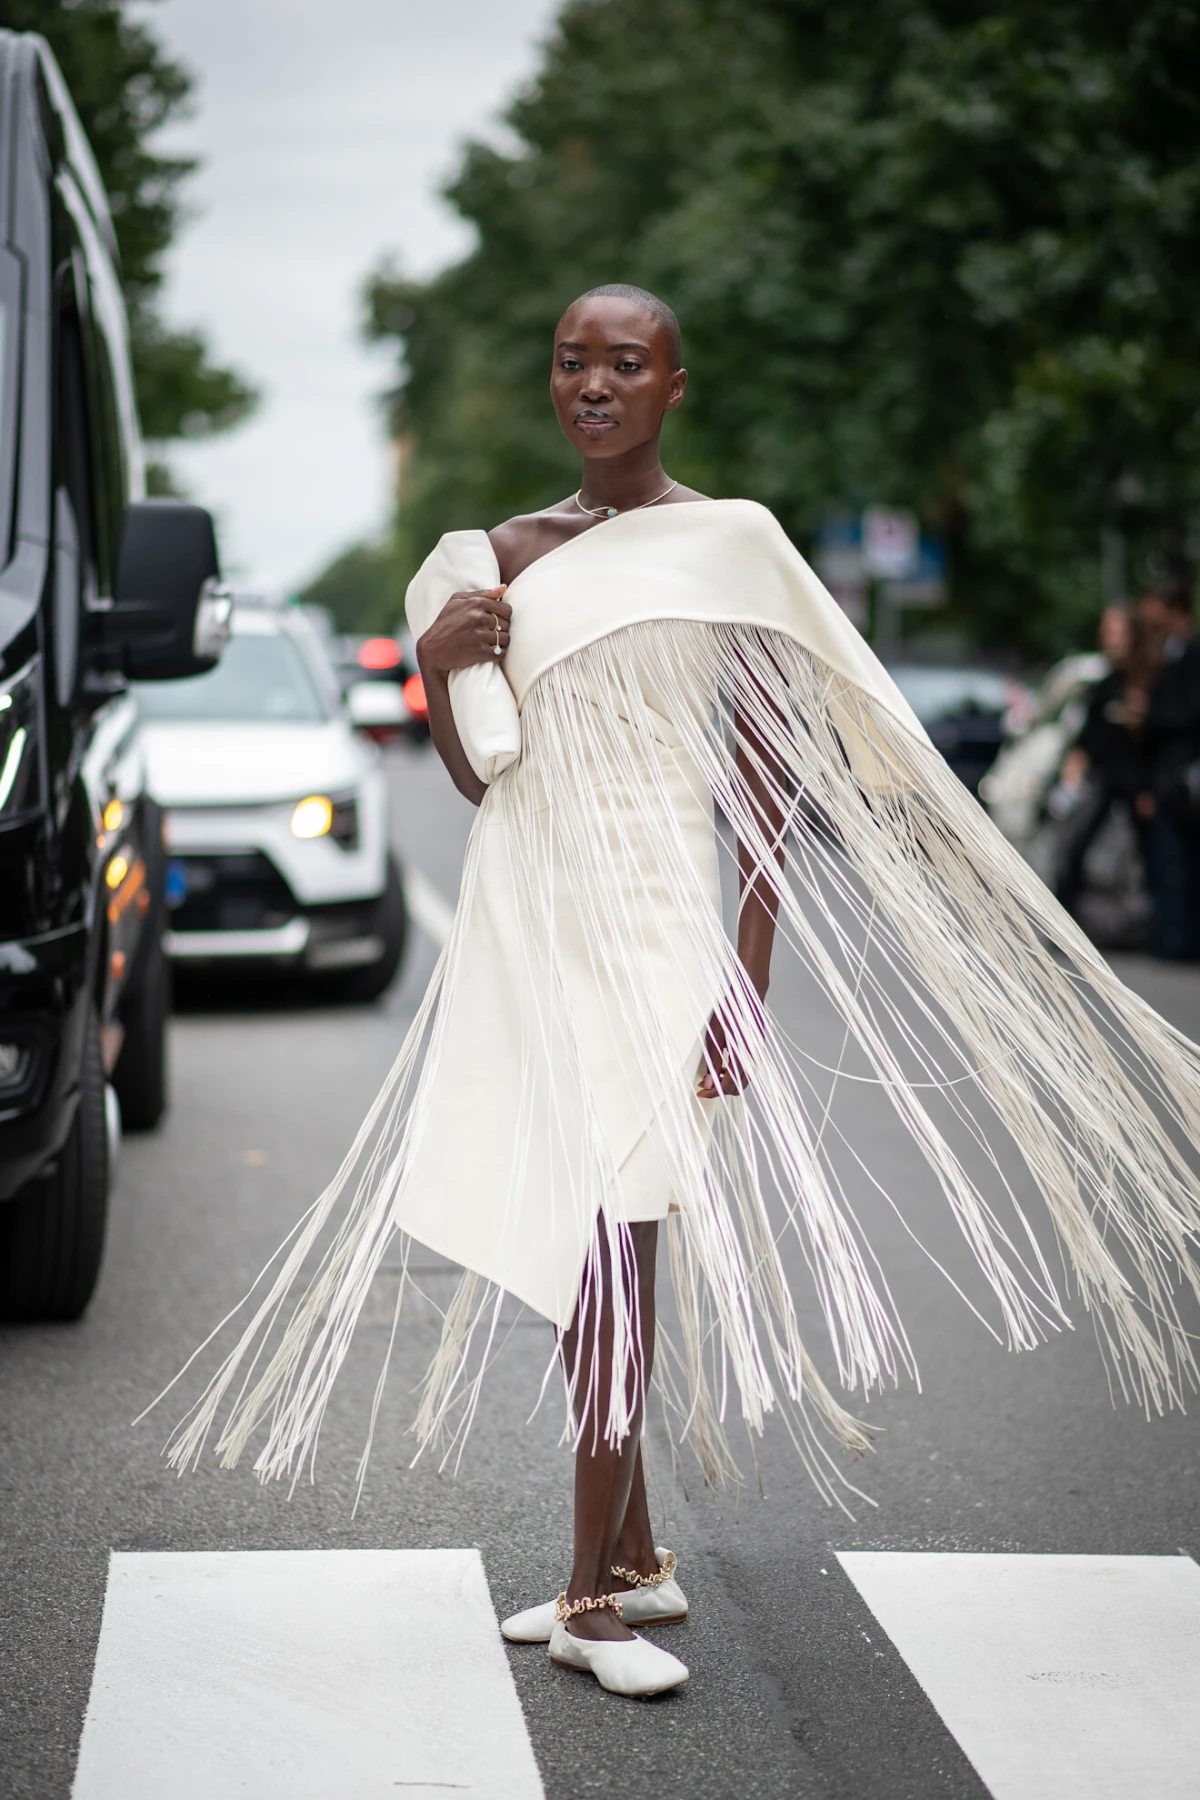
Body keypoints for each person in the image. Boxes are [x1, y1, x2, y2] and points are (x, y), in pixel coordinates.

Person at [159, 287, 1200, 1702]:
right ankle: (637, 1556)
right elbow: (483, 779)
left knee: (611, 1247)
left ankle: (592, 1597)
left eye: (626, 363)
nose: (596, 383)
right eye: (574, 361)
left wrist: (747, 978)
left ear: (673, 387)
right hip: (526, 930)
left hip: (659, 931)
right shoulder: (502, 561)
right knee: (575, 1238)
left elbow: (768, 785)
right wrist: (439, 661)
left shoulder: (734, 546)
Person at [1053, 605, 1153, 928]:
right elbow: (1086, 740)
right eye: (1107, 631)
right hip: (1105, 781)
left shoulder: (1150, 681)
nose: (1111, 638)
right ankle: (1066, 924)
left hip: (1140, 784)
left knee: (1152, 856)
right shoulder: (1105, 683)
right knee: (1074, 846)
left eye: (1118, 631)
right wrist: (1071, 779)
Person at [1138, 585, 1200, 960]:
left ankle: (1180, 940)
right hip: (1168, 777)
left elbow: (1190, 713)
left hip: (1181, 778)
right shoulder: (1168, 654)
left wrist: (1149, 716)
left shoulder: (1191, 655)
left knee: (1180, 860)